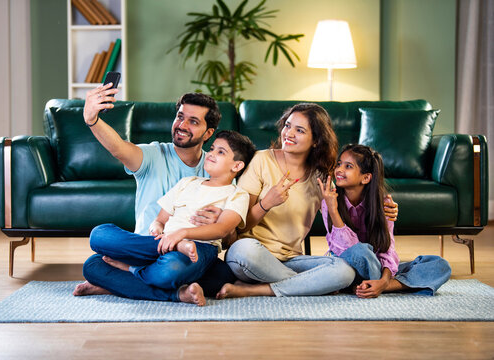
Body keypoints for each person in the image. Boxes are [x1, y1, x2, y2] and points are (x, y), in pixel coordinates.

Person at [73, 83, 237, 303]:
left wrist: (221, 226)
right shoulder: (152, 154)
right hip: (143, 247)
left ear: (208, 133)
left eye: (193, 121)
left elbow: (229, 239)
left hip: (189, 252)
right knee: (96, 247)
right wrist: (92, 119)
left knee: (218, 275)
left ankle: (122, 283)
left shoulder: (220, 170)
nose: (182, 125)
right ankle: (176, 291)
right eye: (180, 116)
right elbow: (119, 148)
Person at [217, 104, 399, 299]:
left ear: (316, 141)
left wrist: (383, 206)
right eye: (287, 125)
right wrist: (266, 203)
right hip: (251, 254)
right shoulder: (262, 160)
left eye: (300, 130)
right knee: (244, 252)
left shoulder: (320, 176)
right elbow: (239, 226)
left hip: (291, 259)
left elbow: (349, 205)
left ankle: (256, 289)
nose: (289, 133)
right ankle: (313, 283)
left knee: (344, 271)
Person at [93, 130, 256, 306]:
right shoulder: (187, 182)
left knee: (167, 272)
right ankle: (179, 289)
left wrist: (182, 233)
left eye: (221, 152)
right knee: (98, 239)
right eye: (213, 148)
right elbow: (161, 219)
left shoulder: (237, 194)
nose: (211, 153)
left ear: (237, 166)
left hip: (199, 248)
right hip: (161, 243)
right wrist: (157, 226)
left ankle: (131, 271)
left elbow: (223, 229)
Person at [317, 144, 451, 298]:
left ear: (366, 177)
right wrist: (333, 211)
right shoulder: (330, 201)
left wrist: (385, 280)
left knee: (440, 265)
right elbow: (346, 249)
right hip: (345, 267)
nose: (339, 170)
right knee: (361, 251)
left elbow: (387, 248)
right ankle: (373, 283)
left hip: (376, 266)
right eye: (339, 164)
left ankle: (380, 286)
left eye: (348, 166)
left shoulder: (384, 204)